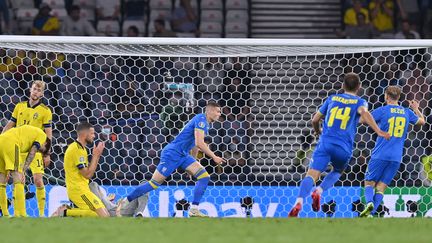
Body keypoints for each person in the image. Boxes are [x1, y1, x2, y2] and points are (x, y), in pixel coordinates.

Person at [288, 72, 390, 217]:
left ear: (342, 85)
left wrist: (317, 132)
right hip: (343, 147)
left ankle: (298, 202)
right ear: (359, 87)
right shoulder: (360, 102)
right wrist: (378, 131)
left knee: (311, 174)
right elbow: (365, 114)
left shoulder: (332, 98)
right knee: (337, 171)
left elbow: (315, 120)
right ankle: (319, 191)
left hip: (325, 143)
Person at [117, 102, 225, 217]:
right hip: (172, 153)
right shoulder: (201, 120)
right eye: (218, 111)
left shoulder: (204, 123)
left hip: (183, 155)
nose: (220, 114)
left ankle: (194, 209)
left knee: (204, 177)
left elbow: (195, 144)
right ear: (209, 111)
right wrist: (214, 157)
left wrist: (193, 162)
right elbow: (200, 142)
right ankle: (125, 201)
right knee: (154, 184)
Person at [359, 86, 425, 217]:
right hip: (396, 157)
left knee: (369, 182)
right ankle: (370, 214)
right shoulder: (406, 112)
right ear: (399, 97)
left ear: (386, 96)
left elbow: (362, 120)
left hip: (380, 154)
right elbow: (422, 121)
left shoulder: (382, 110)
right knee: (381, 188)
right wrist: (416, 108)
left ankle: (369, 204)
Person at [2, 80, 53, 217]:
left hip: (35, 148)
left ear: (42, 94)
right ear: (30, 90)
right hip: (17, 146)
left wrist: (47, 154)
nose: (36, 92)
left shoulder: (45, 111)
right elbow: (10, 124)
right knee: (13, 178)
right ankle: (16, 213)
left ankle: (42, 214)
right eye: (34, 89)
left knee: (38, 179)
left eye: (39, 90)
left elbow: (48, 134)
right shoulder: (19, 106)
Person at [0, 125, 51, 217]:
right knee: (18, 179)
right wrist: (22, 171)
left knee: (1, 181)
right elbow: (33, 151)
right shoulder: (42, 135)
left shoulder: (31, 132)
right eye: (42, 150)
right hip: (11, 143)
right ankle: (21, 214)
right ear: (45, 143)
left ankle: (5, 214)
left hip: (1, 139)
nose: (40, 151)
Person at [62, 122, 108, 217]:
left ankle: (68, 211)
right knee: (102, 216)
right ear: (84, 134)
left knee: (105, 215)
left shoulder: (81, 149)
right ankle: (64, 212)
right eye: (92, 133)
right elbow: (87, 174)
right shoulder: (76, 149)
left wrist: (96, 156)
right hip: (78, 190)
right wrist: (96, 156)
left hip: (83, 189)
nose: (94, 136)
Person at [52, 182, 149, 217]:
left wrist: (107, 200)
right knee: (93, 184)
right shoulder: (81, 208)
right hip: (111, 211)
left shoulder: (87, 200)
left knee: (145, 185)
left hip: (113, 208)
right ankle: (139, 212)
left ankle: (139, 213)